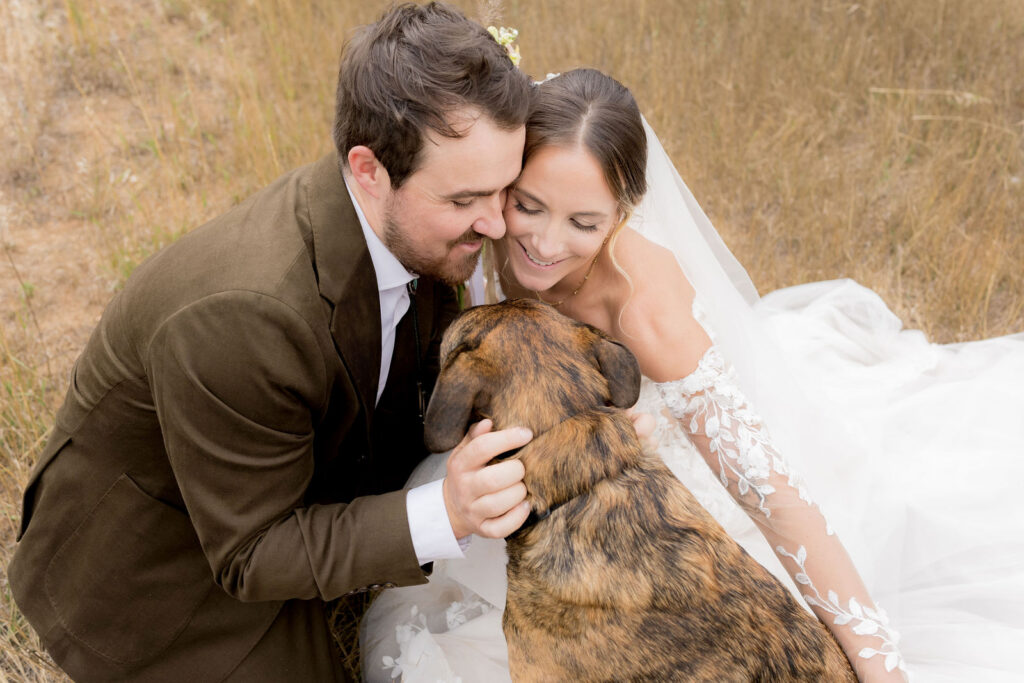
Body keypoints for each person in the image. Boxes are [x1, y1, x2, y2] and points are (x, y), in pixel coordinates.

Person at [362, 69, 1024, 682]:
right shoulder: (483, 224)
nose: (542, 241)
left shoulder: (647, 312)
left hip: (666, 514)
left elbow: (773, 497)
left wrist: (879, 661)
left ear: (623, 211)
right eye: (529, 204)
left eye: (584, 222)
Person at [7, 3, 542, 680]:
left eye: (504, 190)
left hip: (294, 484)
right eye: (466, 199)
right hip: (170, 561)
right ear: (369, 169)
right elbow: (251, 555)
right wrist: (445, 510)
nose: (495, 223)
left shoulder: (422, 228)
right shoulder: (243, 319)